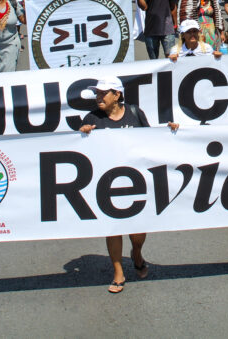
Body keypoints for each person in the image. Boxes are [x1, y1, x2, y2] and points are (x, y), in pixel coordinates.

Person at [77, 77, 179, 293]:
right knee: (113, 228)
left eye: (103, 93)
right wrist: (82, 134)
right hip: (107, 182)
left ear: (117, 95)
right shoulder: (92, 118)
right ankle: (118, 272)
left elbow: (151, 140)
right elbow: (82, 152)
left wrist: (170, 132)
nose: (98, 97)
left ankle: (137, 253)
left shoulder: (134, 112)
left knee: (137, 229)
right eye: (97, 93)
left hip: (136, 180)